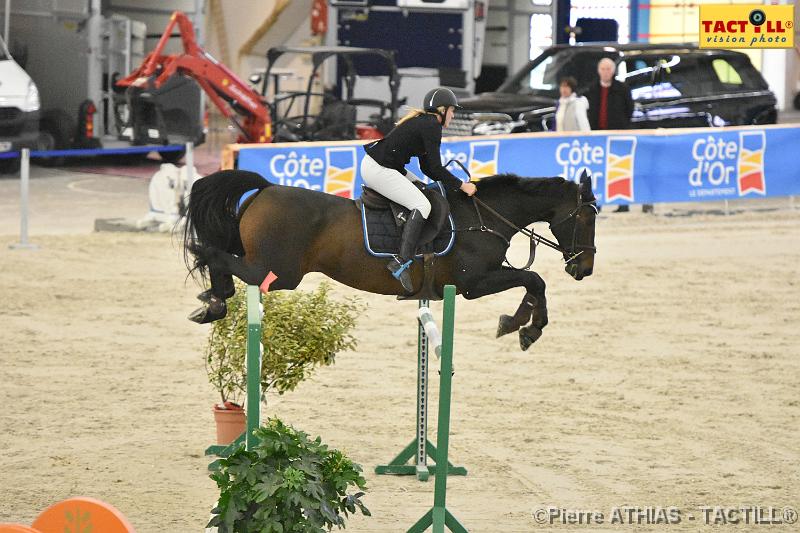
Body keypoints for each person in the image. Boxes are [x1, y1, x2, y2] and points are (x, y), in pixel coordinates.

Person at [361, 87, 477, 292]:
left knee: (423, 191)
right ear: (441, 110)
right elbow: (435, 167)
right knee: (421, 205)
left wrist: (451, 184)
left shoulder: (426, 123)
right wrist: (461, 185)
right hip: (379, 169)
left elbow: (426, 168)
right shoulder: (432, 125)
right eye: (452, 110)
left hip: (384, 166)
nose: (453, 115)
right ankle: (401, 261)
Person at [583, 58, 641, 212]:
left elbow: (630, 109)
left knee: (620, 168)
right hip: (598, 136)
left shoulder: (622, 89)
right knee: (598, 170)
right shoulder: (592, 89)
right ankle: (598, 202)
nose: (606, 72)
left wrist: (621, 126)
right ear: (598, 71)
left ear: (613, 71)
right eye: (603, 69)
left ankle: (622, 203)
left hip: (618, 135)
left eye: (609, 69)